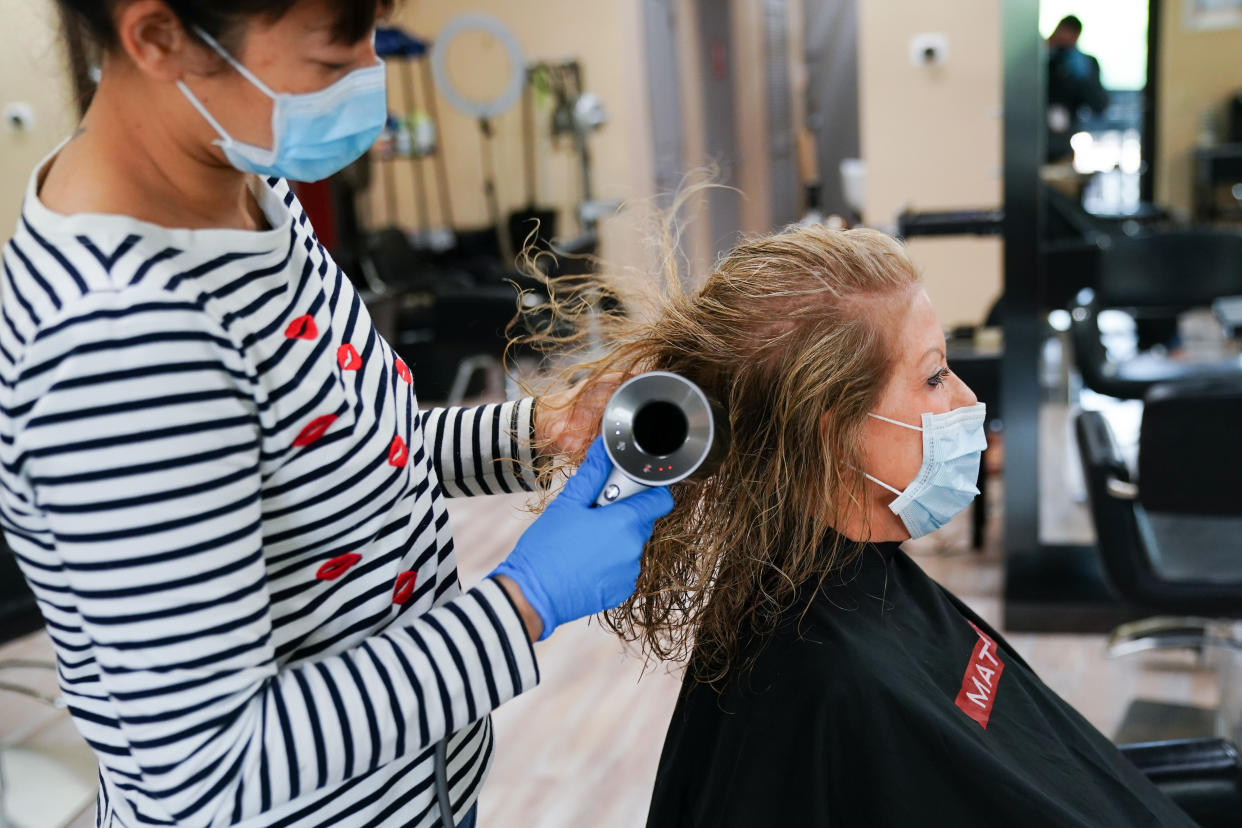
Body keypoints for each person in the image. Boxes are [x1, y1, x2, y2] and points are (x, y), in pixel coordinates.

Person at [0, 2, 672, 827]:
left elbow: (339, 452)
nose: (367, 78)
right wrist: (522, 601)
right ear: (158, 36)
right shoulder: (119, 344)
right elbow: (211, 767)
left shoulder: (244, 185)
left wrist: (539, 431)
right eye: (329, 61)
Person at [530, 225, 1199, 826]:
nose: (969, 401)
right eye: (935, 377)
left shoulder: (851, 596)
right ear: (834, 431)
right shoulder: (822, 679)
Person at [1046, 14, 1109, 163]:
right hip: (1028, 141)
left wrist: (1085, 77)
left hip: (1061, 145)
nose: (1065, 38)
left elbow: (1099, 105)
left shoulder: (1082, 63)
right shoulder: (1040, 60)